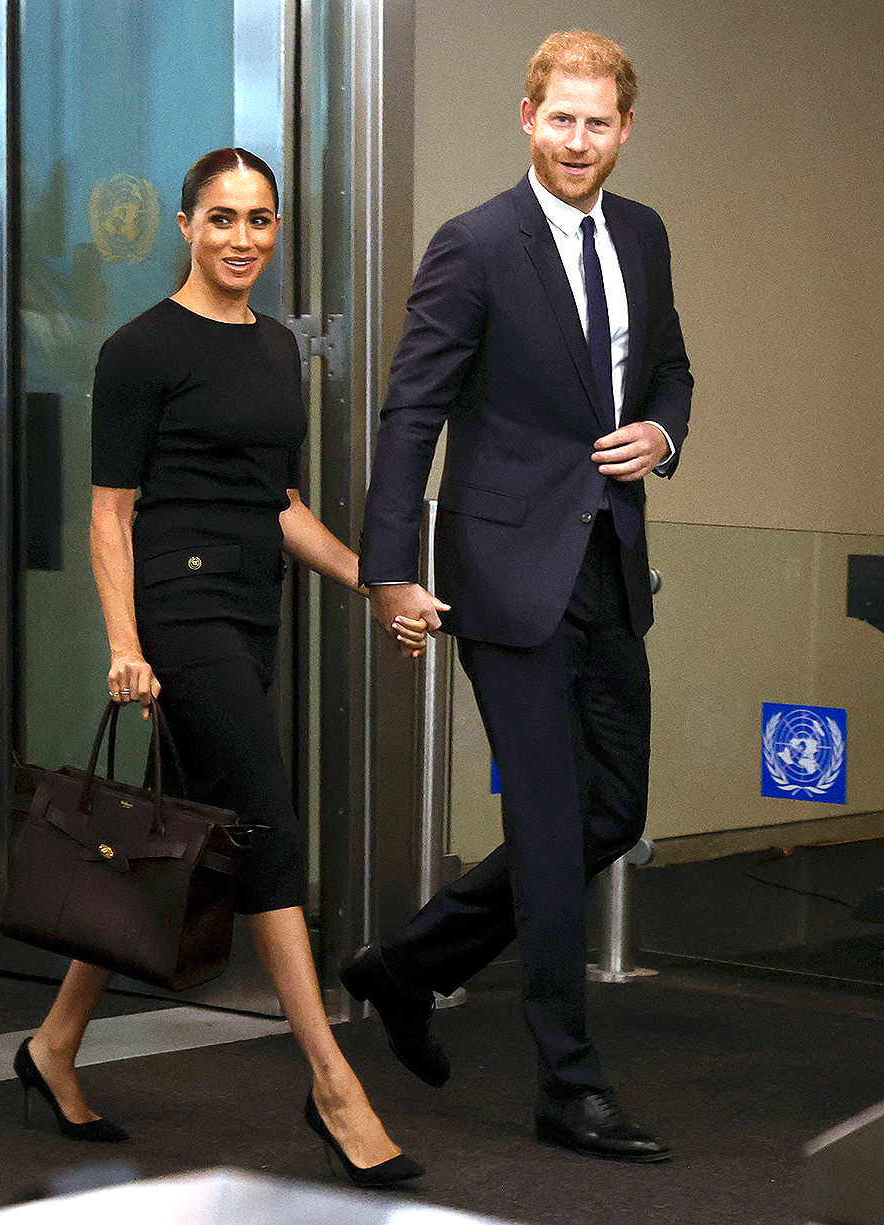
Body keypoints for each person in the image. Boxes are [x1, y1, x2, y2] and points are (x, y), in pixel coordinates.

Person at [12, 148, 426, 1188]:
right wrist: (124, 644)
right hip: (179, 607)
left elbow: (277, 503)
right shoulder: (140, 348)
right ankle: (333, 1083)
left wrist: (371, 581)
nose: (242, 238)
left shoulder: (277, 350)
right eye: (221, 219)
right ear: (185, 227)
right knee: (268, 831)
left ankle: (53, 1042)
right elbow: (110, 507)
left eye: (260, 220)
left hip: (251, 610)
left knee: (170, 840)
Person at [346, 31, 692, 1162]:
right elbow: (412, 414)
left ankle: (408, 963)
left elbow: (672, 367)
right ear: (526, 116)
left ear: (624, 129)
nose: (578, 141)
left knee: (614, 814)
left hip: (609, 570)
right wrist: (388, 568)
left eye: (599, 122)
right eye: (561, 118)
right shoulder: (476, 245)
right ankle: (568, 1084)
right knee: (548, 828)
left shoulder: (641, 234)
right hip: (503, 575)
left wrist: (664, 433)